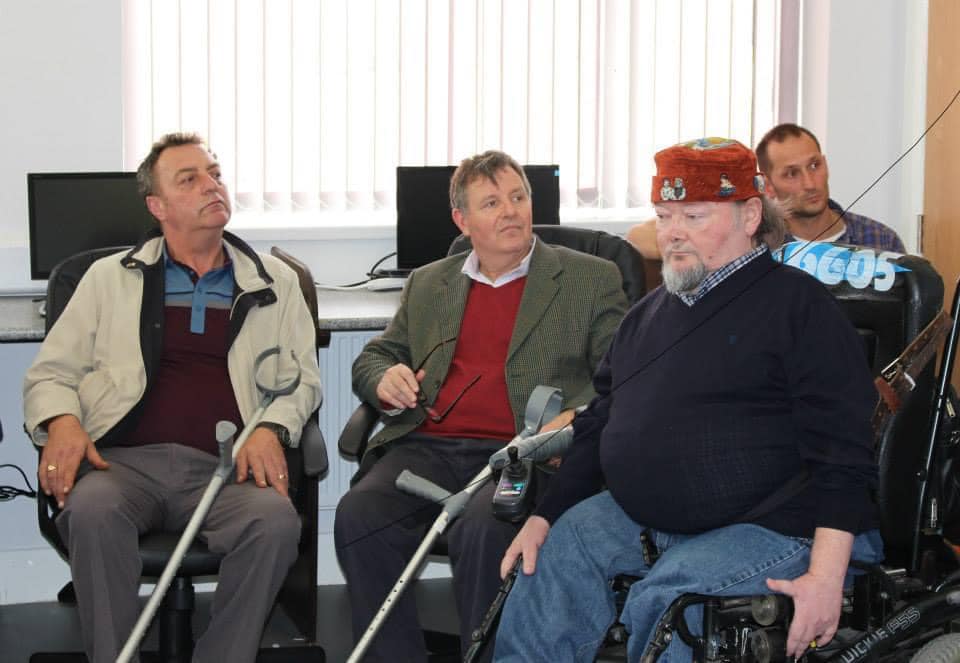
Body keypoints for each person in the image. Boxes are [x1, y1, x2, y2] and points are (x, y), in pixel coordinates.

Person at [493, 138, 883, 662]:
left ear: (750, 216)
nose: (672, 232)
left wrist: (826, 578)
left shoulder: (799, 306)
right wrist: (544, 518)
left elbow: (844, 453)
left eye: (694, 216)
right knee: (549, 556)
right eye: (663, 216)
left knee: (668, 599)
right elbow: (600, 421)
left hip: (779, 526)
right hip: (648, 521)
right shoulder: (648, 313)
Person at [23, 132, 322, 663]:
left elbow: (301, 380)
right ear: (157, 206)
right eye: (190, 179)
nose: (212, 185)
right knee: (91, 514)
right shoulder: (107, 280)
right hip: (122, 466)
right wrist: (62, 422)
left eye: (215, 174)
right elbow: (51, 374)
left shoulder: (275, 282)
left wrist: (271, 429)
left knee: (275, 524)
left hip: (227, 468)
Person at [334, 149, 628, 662]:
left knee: (483, 529)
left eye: (518, 197)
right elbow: (377, 356)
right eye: (491, 203)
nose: (511, 211)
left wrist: (575, 419)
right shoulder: (431, 281)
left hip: (521, 453)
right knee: (360, 515)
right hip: (428, 446)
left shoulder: (590, 278)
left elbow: (620, 375)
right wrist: (385, 379)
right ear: (462, 220)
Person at [756, 123, 906, 252]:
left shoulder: (882, 241)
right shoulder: (758, 248)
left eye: (814, 165)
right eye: (792, 174)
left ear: (825, 164)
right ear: (768, 186)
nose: (810, 184)